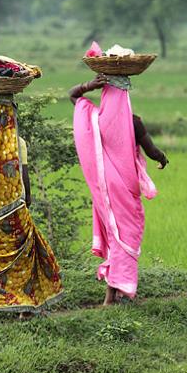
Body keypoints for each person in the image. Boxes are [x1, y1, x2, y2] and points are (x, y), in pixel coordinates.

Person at [0, 94, 63, 331]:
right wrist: (26, 200)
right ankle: (23, 309)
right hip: (13, 211)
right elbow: (23, 175)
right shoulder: (17, 142)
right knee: (21, 257)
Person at [70, 72, 168, 305]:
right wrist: (162, 158)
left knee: (115, 237)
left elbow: (73, 95)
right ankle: (114, 294)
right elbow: (152, 151)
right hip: (125, 189)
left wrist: (88, 85)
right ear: (124, 96)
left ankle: (115, 292)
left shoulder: (93, 118)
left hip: (104, 191)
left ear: (105, 94)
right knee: (126, 237)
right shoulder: (133, 122)